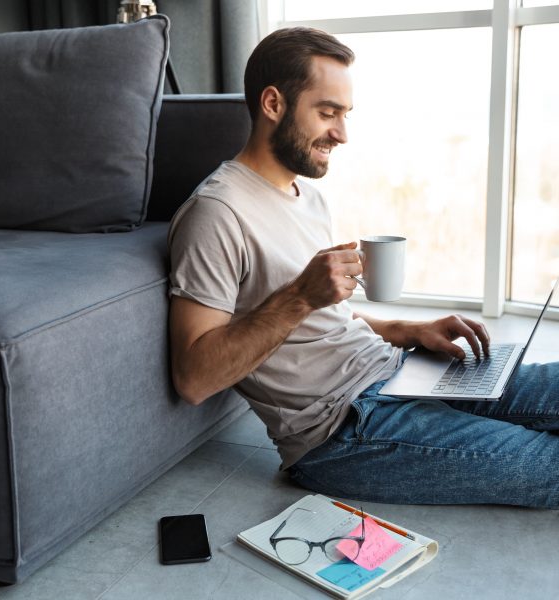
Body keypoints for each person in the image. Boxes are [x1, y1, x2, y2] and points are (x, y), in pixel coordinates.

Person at [168, 27, 559, 507]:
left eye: (345, 114)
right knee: (550, 465)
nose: (342, 133)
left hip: (396, 370)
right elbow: (193, 378)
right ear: (273, 104)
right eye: (327, 112)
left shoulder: (307, 196)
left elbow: (323, 321)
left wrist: (407, 329)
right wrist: (300, 295)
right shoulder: (215, 213)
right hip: (342, 430)